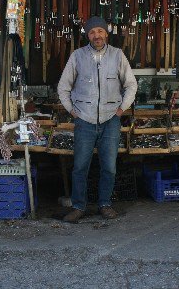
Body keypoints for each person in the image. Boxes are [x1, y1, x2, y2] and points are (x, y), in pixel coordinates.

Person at [57, 16, 137, 223]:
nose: (96, 35)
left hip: (111, 119)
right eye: (92, 32)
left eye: (100, 31)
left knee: (109, 167)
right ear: (88, 36)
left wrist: (121, 110)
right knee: (80, 167)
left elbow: (131, 85)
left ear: (106, 34)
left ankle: (105, 204)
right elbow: (63, 87)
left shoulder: (118, 55)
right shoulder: (78, 56)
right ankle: (78, 206)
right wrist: (73, 111)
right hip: (84, 119)